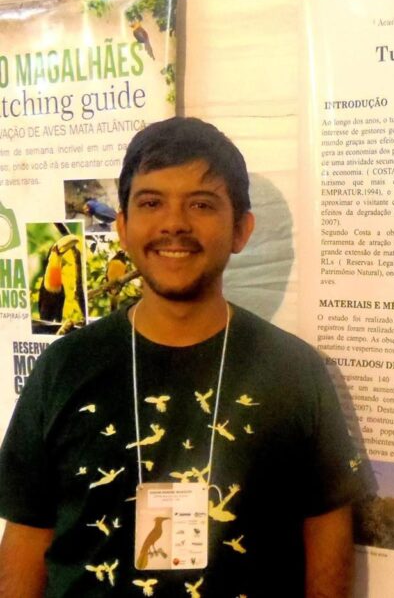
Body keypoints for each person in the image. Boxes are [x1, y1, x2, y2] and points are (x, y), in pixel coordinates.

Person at [0, 117, 364, 597]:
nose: (174, 223)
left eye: (201, 204)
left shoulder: (296, 372)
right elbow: (27, 537)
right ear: (123, 227)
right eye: (151, 203)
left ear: (241, 229)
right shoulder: (62, 368)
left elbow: (327, 534)